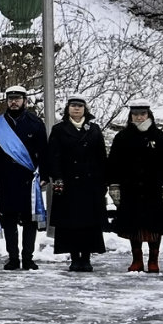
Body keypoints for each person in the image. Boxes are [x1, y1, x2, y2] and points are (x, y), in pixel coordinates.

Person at [107, 98, 163, 272]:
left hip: (154, 189)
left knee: (154, 226)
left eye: (142, 114)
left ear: (148, 114)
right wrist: (114, 185)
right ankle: (137, 259)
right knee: (133, 226)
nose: (138, 117)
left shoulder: (160, 137)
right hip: (130, 188)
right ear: (130, 116)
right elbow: (113, 163)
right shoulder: (122, 137)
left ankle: (153, 260)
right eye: (135, 114)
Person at [44, 94, 107, 271]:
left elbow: (101, 157)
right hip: (67, 183)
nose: (76, 109)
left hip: (90, 183)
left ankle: (86, 258)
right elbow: (53, 156)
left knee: (88, 224)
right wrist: (56, 177)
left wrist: (102, 181)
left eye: (80, 106)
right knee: (70, 224)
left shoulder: (94, 129)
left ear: (85, 109)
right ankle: (74, 258)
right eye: (73, 106)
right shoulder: (59, 129)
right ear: (67, 109)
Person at [0, 84, 48, 270]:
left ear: (25, 100)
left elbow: (44, 152)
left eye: (17, 98)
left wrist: (44, 175)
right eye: (10, 99)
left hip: (28, 180)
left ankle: (28, 258)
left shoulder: (35, 123)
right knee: (9, 221)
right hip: (5, 180)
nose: (14, 102)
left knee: (30, 222)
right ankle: (13, 257)